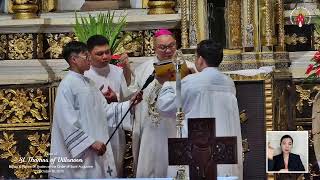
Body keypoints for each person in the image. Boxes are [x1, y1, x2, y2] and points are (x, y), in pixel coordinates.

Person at [49, 41, 142, 179]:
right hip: (82, 151)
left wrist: (129, 104)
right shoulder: (67, 85)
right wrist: (90, 142)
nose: (89, 59)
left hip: (95, 147)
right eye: (86, 56)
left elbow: (105, 111)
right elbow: (66, 121)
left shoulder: (89, 83)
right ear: (74, 59)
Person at [156, 39, 243, 179]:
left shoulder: (190, 82)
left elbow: (165, 107)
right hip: (223, 149)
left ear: (200, 60)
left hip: (198, 149)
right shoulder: (229, 83)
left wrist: (167, 84)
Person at [132, 29, 196, 178]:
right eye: (163, 47)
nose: (168, 50)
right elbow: (134, 95)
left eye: (171, 46)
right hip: (152, 129)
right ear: (154, 48)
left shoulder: (189, 67)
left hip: (178, 128)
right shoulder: (143, 69)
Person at [84, 35, 132, 177]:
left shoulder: (117, 71)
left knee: (115, 166)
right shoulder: (85, 74)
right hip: (94, 129)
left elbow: (126, 98)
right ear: (89, 54)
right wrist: (99, 99)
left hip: (115, 129)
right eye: (99, 53)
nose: (105, 56)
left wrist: (115, 98)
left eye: (107, 52)